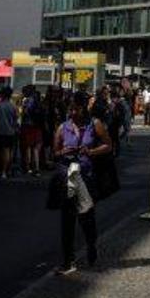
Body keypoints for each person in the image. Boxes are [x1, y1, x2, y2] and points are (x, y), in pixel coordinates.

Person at [53, 100, 112, 274]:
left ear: (84, 108)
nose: (72, 112)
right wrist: (62, 152)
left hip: (87, 177)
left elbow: (108, 145)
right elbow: (54, 152)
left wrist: (91, 152)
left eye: (76, 109)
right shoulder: (62, 128)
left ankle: (91, 245)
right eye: (70, 109)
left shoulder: (95, 124)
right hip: (69, 176)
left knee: (87, 216)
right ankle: (67, 260)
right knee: (67, 219)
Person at [0, 87, 18, 179]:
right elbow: (15, 120)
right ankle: (4, 172)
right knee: (7, 151)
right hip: (9, 132)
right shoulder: (13, 106)